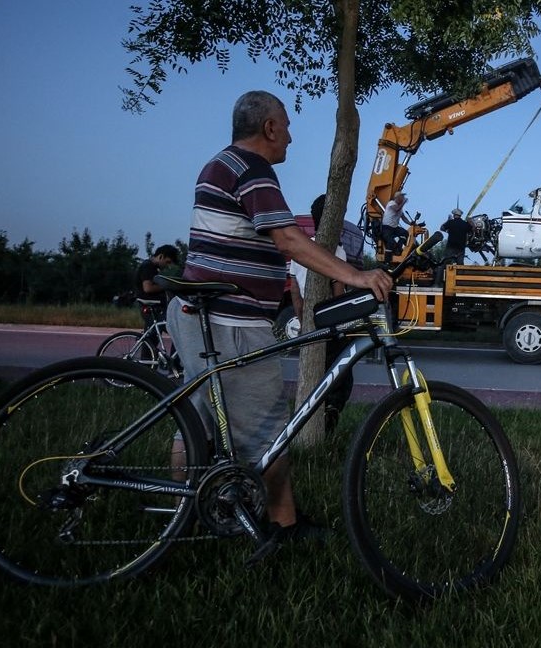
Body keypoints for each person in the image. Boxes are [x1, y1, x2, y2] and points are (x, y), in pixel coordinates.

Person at [167, 91, 392, 549]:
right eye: (286, 125)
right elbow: (289, 240)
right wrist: (356, 275)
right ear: (269, 128)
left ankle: (178, 518)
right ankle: (283, 527)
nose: (290, 135)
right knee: (269, 428)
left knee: (198, 422)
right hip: (229, 319)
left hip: (199, 314)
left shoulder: (221, 163)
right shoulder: (253, 170)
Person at [288, 194, 356, 434]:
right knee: (343, 375)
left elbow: (295, 293)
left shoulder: (301, 251)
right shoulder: (336, 252)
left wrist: (304, 318)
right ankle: (330, 414)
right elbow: (337, 294)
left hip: (309, 321)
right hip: (330, 322)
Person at [135, 244, 180, 333]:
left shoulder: (152, 267)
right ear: (161, 256)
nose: (168, 266)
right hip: (151, 306)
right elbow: (148, 288)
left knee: (152, 338)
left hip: (154, 306)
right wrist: (168, 286)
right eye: (168, 262)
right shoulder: (148, 266)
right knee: (176, 331)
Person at [437, 207, 470, 284]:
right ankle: (460, 281)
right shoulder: (464, 224)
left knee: (445, 263)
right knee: (460, 265)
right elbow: (472, 229)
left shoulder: (450, 222)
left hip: (450, 247)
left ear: (454, 215)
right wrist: (469, 221)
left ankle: (441, 281)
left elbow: (442, 228)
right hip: (461, 248)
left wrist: (448, 220)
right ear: (460, 215)